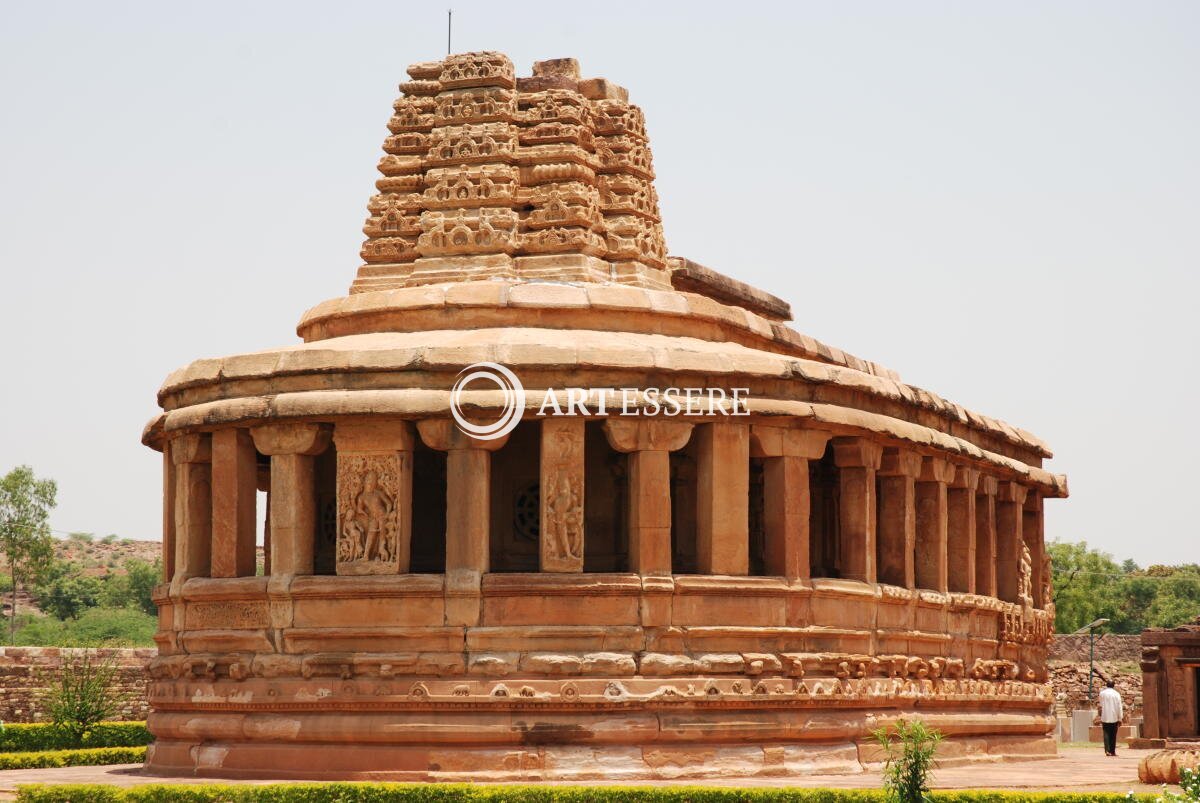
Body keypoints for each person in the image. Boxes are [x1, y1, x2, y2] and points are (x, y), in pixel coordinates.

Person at [1098, 680, 1124, 757]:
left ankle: (1107, 750)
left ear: (1107, 685)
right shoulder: (1116, 694)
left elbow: (1101, 704)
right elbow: (1119, 706)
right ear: (1114, 685)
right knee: (1113, 734)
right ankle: (1112, 751)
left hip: (1105, 716)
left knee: (1106, 733)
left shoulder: (1102, 693)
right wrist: (1120, 718)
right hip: (1114, 716)